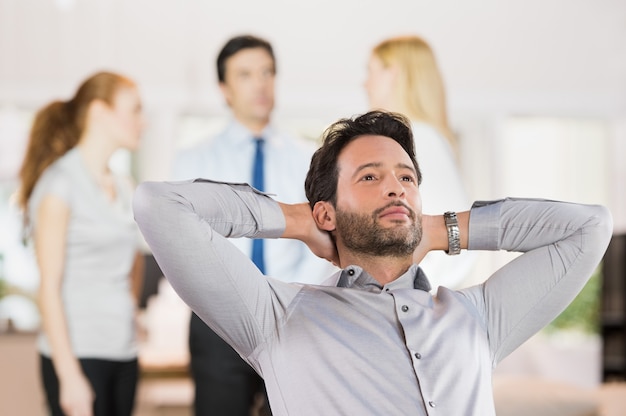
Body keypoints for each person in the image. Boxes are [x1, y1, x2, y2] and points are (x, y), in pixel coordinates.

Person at [133, 110, 612, 415]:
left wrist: (444, 230)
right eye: (370, 176)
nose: (396, 186)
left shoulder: (479, 316)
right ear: (327, 211)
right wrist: (300, 221)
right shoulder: (277, 318)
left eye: (406, 177)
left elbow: (589, 228)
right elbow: (160, 207)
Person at [171, 34, 334, 416]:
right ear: (224, 89)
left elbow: (327, 238)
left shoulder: (309, 159)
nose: (260, 83)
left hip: (293, 315)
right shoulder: (193, 162)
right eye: (245, 74)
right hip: (217, 320)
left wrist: (296, 299)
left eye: (267, 72)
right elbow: (182, 249)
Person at [17, 71, 145, 416]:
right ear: (99, 112)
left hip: (125, 352)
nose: (142, 122)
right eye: (134, 110)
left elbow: (132, 261)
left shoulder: (124, 185)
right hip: (79, 353)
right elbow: (48, 288)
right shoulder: (61, 183)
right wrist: (69, 375)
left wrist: (129, 311)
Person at [365, 34, 474, 289]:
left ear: (393, 74)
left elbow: (453, 230)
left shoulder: (418, 139)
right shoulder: (420, 139)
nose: (365, 83)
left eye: (372, 71)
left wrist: (410, 291)